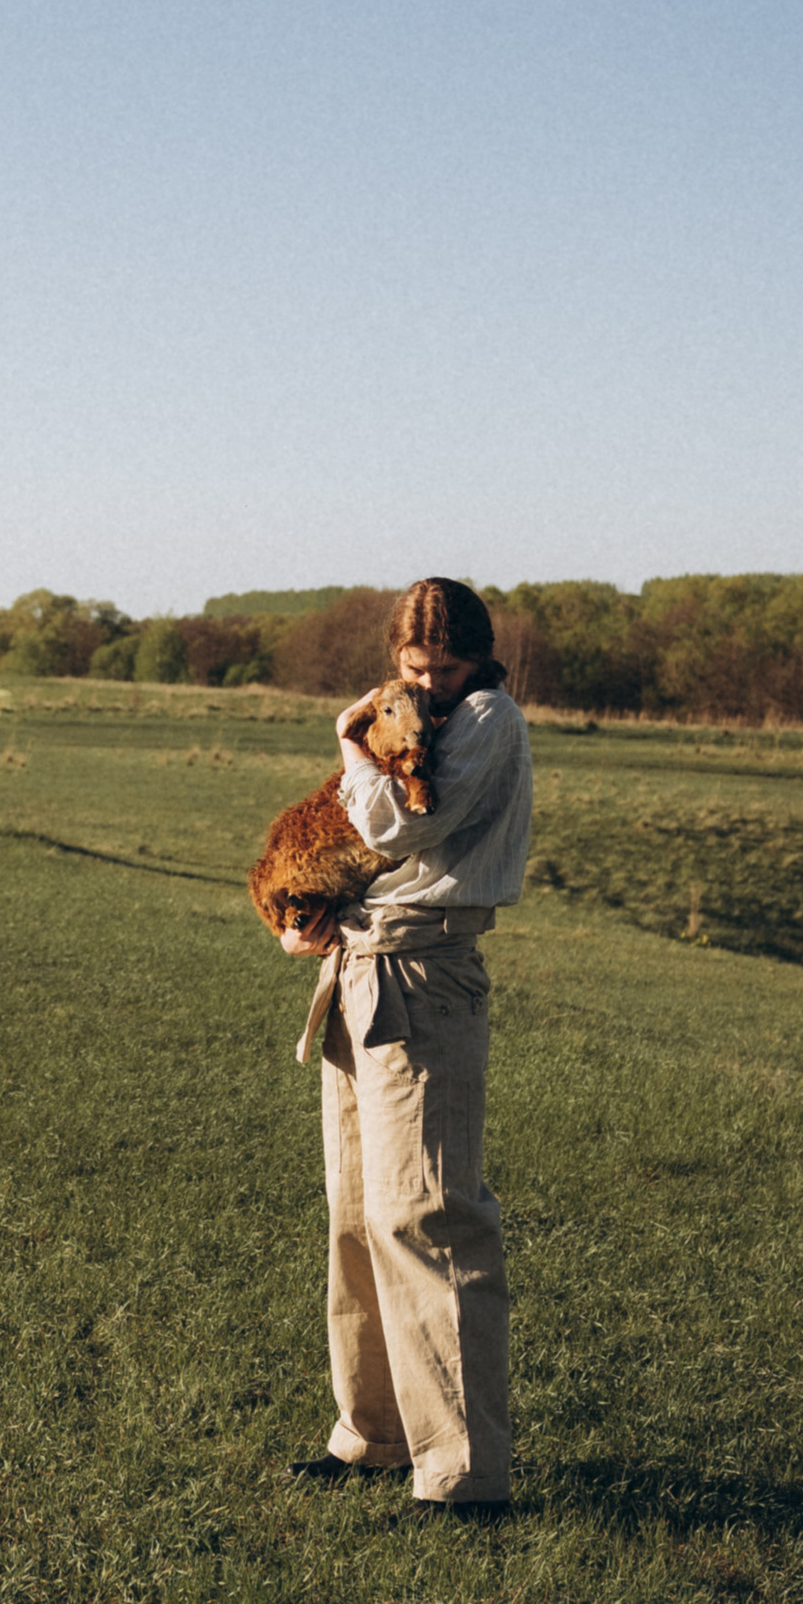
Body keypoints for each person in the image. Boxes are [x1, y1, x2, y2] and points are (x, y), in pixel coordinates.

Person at [274, 576, 533, 1519]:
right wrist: (319, 920)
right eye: (414, 667)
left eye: (447, 665)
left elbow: (402, 822)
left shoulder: (487, 720)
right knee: (356, 1216)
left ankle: (463, 1476)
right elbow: (365, 849)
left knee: (428, 1216)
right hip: (361, 967)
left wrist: (348, 747)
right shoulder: (422, 709)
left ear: (481, 657)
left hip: (427, 978)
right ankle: (374, 1436)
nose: (428, 682)